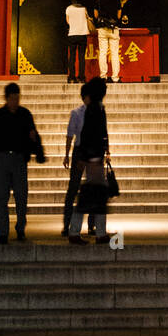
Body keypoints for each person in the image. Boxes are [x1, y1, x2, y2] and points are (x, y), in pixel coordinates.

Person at [0, 82, 42, 245]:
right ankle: (3, 233)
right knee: (2, 197)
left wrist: (37, 148)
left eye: (17, 98)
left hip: (19, 159)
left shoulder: (25, 114)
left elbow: (32, 133)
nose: (15, 102)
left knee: (21, 196)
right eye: (12, 98)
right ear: (7, 98)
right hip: (2, 158)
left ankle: (20, 228)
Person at [68, 76, 111, 244]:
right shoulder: (95, 109)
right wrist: (89, 156)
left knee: (91, 196)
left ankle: (79, 231)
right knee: (95, 196)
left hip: (93, 156)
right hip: (93, 158)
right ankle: (96, 232)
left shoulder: (95, 108)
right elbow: (90, 134)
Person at [61, 82, 96, 237]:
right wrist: (67, 154)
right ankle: (66, 224)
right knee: (73, 189)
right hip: (80, 151)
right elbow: (70, 135)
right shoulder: (76, 113)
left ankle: (91, 226)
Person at [93, 0, 125, 83]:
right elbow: (119, 16)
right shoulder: (117, 0)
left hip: (102, 28)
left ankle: (103, 76)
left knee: (102, 52)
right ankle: (115, 77)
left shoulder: (98, 0)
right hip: (113, 29)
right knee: (114, 53)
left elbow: (96, 15)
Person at [65, 0, 90, 84]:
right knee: (81, 56)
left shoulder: (68, 8)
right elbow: (87, 19)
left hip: (72, 34)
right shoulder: (84, 9)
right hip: (82, 34)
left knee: (72, 56)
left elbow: (68, 21)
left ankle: (72, 77)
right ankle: (81, 77)